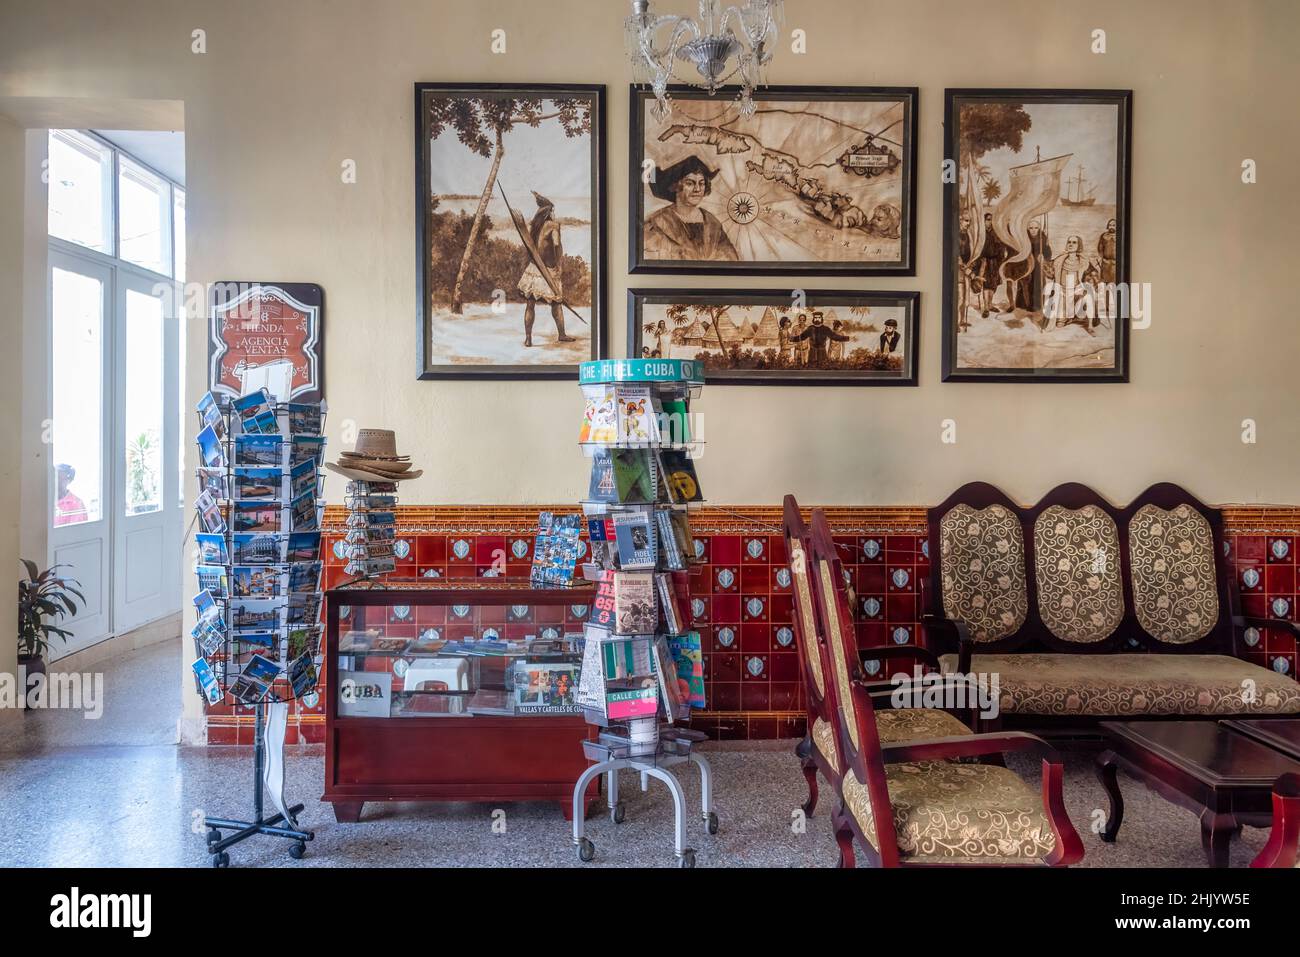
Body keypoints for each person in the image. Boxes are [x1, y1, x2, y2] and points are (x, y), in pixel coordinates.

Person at [643, 155, 740, 262]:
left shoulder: (712, 223)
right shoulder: (657, 223)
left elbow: (730, 258)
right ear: (675, 186)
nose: (697, 189)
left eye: (702, 183)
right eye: (690, 183)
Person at [517, 191, 574, 347]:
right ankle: (561, 334)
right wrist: (559, 262)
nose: (554, 213)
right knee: (556, 304)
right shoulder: (553, 225)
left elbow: (530, 245)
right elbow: (556, 244)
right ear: (548, 212)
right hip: (548, 269)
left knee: (530, 304)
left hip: (534, 268)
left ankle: (528, 339)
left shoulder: (535, 225)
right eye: (553, 210)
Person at [975, 212, 1010, 318]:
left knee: (993, 285)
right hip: (984, 262)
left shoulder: (997, 233)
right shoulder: (980, 234)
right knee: (986, 285)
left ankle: (990, 305)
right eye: (988, 219)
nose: (990, 222)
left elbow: (1001, 248)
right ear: (984, 221)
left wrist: (1002, 261)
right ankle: (985, 308)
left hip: (995, 262)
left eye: (991, 220)